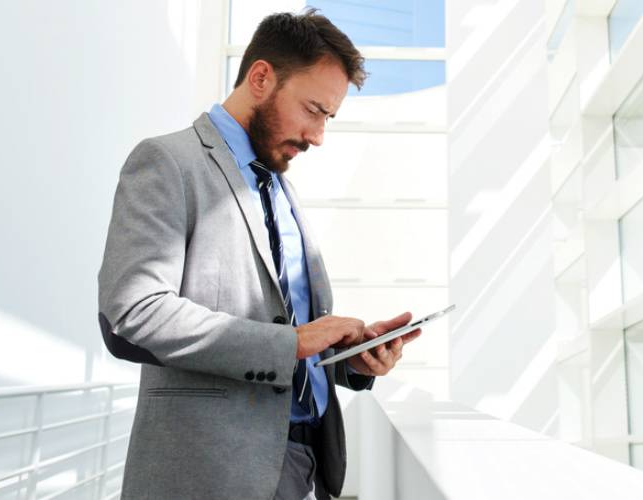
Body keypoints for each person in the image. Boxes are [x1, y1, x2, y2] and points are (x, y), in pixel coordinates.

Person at [97, 9, 420, 500]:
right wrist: (292, 342)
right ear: (261, 77)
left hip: (302, 465)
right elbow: (131, 314)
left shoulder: (281, 190)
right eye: (313, 110)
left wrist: (349, 359)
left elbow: (287, 332)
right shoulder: (168, 162)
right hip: (211, 475)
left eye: (328, 118)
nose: (318, 136)